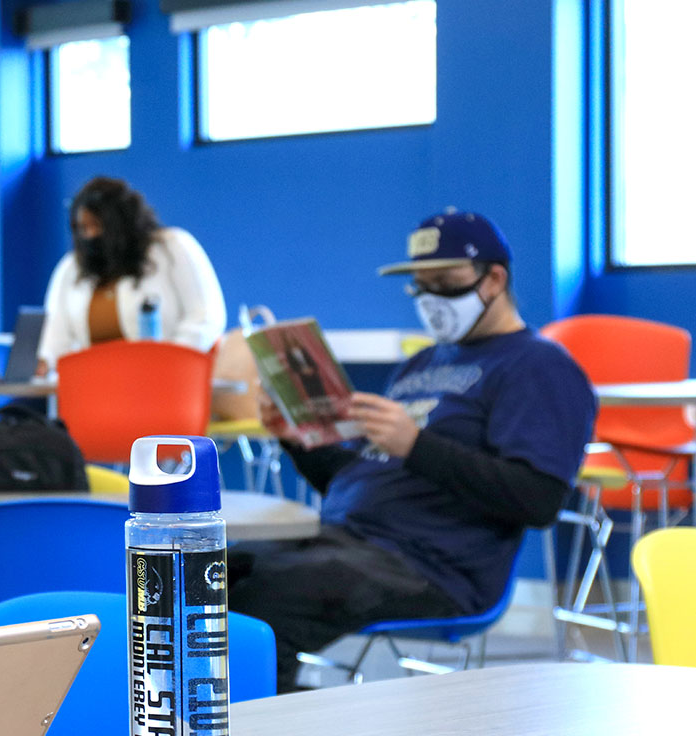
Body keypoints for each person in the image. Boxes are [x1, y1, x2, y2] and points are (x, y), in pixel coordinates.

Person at [231, 209, 596, 692]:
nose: (431, 300)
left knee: (261, 603)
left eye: (445, 282)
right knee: (208, 573)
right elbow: (365, 478)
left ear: (494, 280)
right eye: (420, 286)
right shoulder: (421, 363)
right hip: (348, 540)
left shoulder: (539, 367)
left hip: (433, 568)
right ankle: (239, 724)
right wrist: (297, 440)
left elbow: (539, 499)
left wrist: (417, 445)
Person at [36, 176, 226, 368]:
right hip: (97, 382)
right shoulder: (71, 267)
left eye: (97, 225)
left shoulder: (172, 247)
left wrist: (167, 361)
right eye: (83, 228)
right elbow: (54, 339)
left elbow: (206, 316)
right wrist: (42, 362)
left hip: (170, 377)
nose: (90, 235)